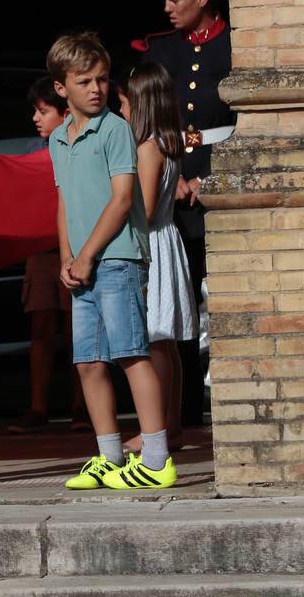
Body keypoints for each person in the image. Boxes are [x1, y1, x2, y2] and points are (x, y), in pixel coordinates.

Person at [47, 33, 175, 491]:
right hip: (81, 264)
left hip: (116, 259)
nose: (97, 89)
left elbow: (123, 200)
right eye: (84, 81)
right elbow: (64, 203)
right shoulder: (59, 138)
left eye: (102, 79)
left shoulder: (117, 129)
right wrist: (66, 256)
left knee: (130, 354)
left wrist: (86, 255)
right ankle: (109, 455)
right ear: (61, 88)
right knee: (88, 362)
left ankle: (157, 459)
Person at [132, 0, 231, 427]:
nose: (168, 8)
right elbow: (152, 121)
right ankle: (183, 412)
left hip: (222, 183)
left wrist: (211, 178)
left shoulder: (234, 45)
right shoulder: (163, 51)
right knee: (177, 309)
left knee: (226, 299)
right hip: (174, 187)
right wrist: (177, 177)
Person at [120, 62, 197, 452]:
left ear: (142, 102)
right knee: (165, 343)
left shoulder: (149, 147)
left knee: (155, 339)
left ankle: (162, 430)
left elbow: (145, 210)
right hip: (166, 241)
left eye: (127, 100)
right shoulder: (166, 142)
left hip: (152, 244)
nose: (122, 109)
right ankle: (173, 425)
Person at [8, 77, 87, 435]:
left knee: (78, 329)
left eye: (43, 112)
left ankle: (81, 406)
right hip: (40, 252)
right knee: (41, 326)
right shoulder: (30, 151)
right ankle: (38, 407)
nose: (36, 119)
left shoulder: (79, 144)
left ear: (64, 112)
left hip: (75, 247)